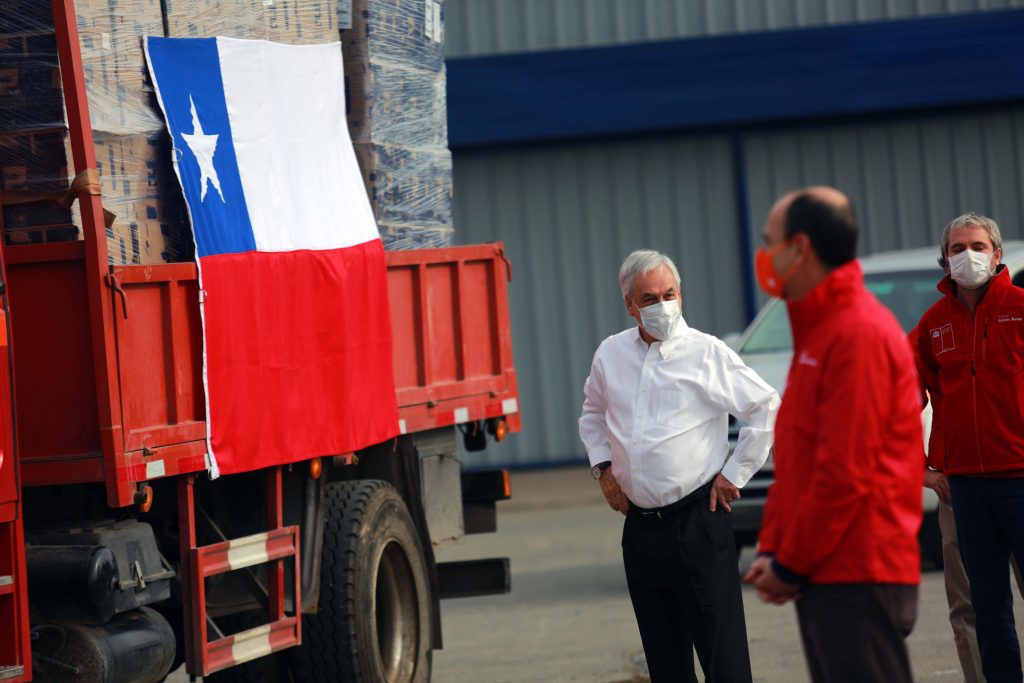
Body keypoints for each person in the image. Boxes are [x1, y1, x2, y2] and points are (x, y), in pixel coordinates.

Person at [742, 187, 923, 683]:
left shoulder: (856, 333)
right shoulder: (818, 331)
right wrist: (774, 550)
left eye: (768, 241)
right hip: (826, 568)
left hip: (858, 568)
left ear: (799, 248)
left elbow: (844, 472)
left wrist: (791, 564)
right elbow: (798, 461)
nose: (763, 255)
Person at [578, 249, 779, 683]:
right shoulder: (610, 355)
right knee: (665, 663)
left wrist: (734, 473)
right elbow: (592, 414)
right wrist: (604, 469)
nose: (662, 305)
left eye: (670, 294)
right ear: (630, 305)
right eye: (649, 298)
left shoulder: (707, 353)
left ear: (681, 296)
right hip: (642, 531)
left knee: (723, 662)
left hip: (699, 525)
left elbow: (766, 407)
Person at [914, 212, 1024, 683]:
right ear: (945, 260)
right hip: (965, 489)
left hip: (1020, 478)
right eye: (957, 249)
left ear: (996, 255)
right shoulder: (933, 324)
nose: (968, 256)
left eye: (977, 246)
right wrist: (919, 468)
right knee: (988, 604)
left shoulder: (1021, 307)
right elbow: (900, 398)